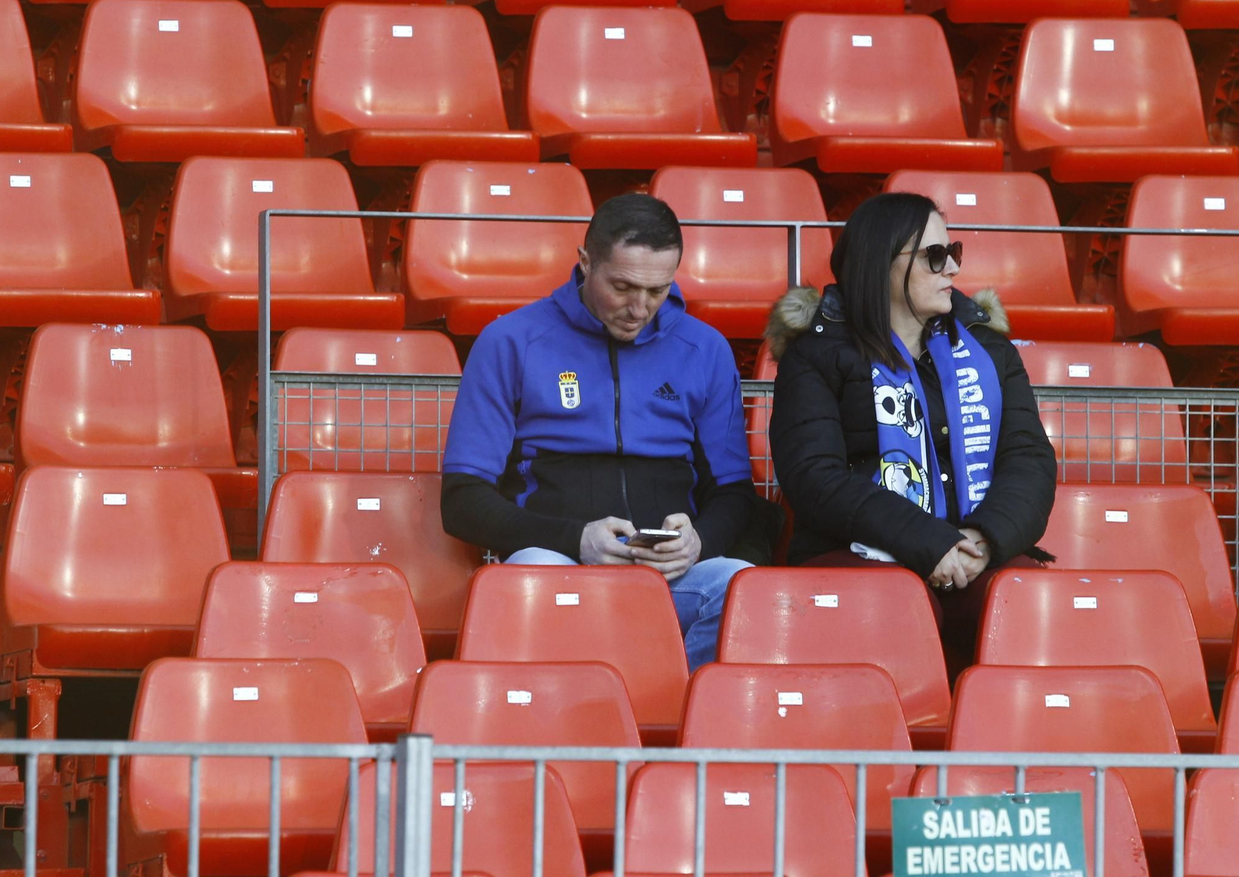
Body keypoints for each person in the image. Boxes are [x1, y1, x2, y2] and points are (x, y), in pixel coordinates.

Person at [441, 194, 774, 670]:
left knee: (741, 587)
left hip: (669, 576)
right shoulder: (511, 341)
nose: (639, 308)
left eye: (658, 290)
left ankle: (684, 726)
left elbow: (735, 492)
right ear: (584, 263)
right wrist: (574, 540)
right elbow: (462, 500)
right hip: (556, 565)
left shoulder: (705, 349)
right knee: (530, 577)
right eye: (622, 286)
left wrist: (699, 541)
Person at [766, 191, 1055, 673]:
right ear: (880, 264)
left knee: (1025, 599)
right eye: (935, 256)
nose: (953, 270)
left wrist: (982, 540)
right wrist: (927, 541)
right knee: (902, 608)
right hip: (854, 552)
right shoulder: (816, 354)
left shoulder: (987, 350)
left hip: (972, 549)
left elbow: (1029, 459)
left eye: (954, 252)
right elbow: (814, 478)